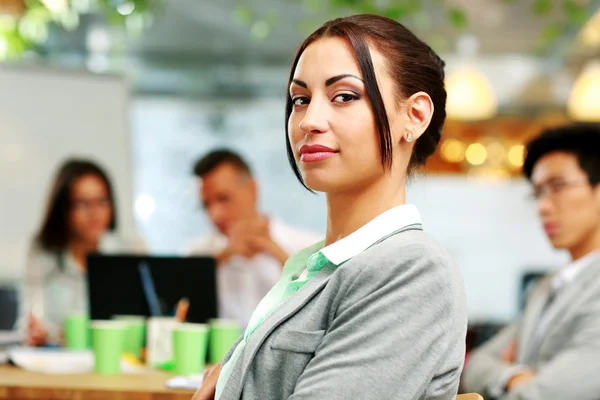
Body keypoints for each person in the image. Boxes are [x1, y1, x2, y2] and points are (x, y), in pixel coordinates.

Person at [194, 14, 467, 400]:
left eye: (344, 96)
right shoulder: (309, 264)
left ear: (415, 115)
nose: (309, 120)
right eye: (300, 99)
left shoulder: (412, 269)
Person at [462, 124, 600, 399]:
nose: (542, 206)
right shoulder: (547, 286)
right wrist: (512, 376)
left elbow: (546, 395)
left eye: (557, 186)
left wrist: (515, 375)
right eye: (537, 192)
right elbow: (472, 368)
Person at [187, 149, 321, 327]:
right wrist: (226, 254)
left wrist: (273, 250)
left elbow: (321, 306)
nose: (214, 215)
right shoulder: (198, 254)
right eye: (206, 204)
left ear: (252, 189)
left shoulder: (308, 245)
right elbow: (177, 307)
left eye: (223, 198)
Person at [17, 159, 144, 346]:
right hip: (58, 361)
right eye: (81, 204)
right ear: (63, 209)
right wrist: (36, 332)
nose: (94, 213)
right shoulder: (42, 252)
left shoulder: (129, 251)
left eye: (102, 201)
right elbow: (28, 320)